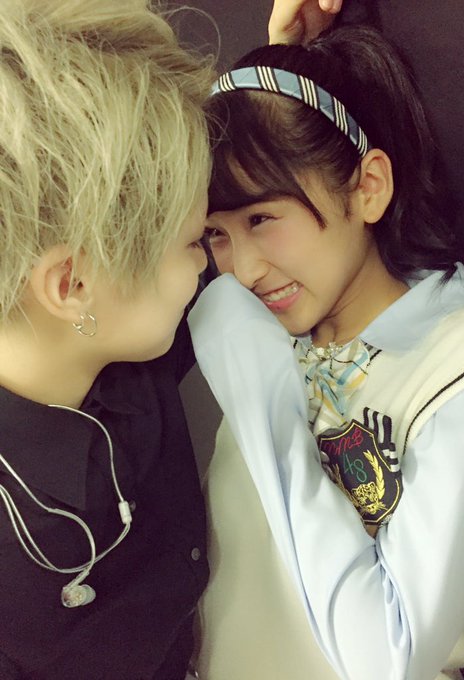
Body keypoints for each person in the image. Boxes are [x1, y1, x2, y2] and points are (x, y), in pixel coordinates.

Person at [188, 20, 464, 680]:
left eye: (261, 219)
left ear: (368, 187)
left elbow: (390, 655)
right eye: (216, 234)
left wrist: (260, 397)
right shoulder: (268, 339)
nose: (242, 270)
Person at [0, 1, 214, 677]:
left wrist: (281, 60)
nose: (208, 260)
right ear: (74, 285)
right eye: (194, 241)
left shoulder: (125, 345)